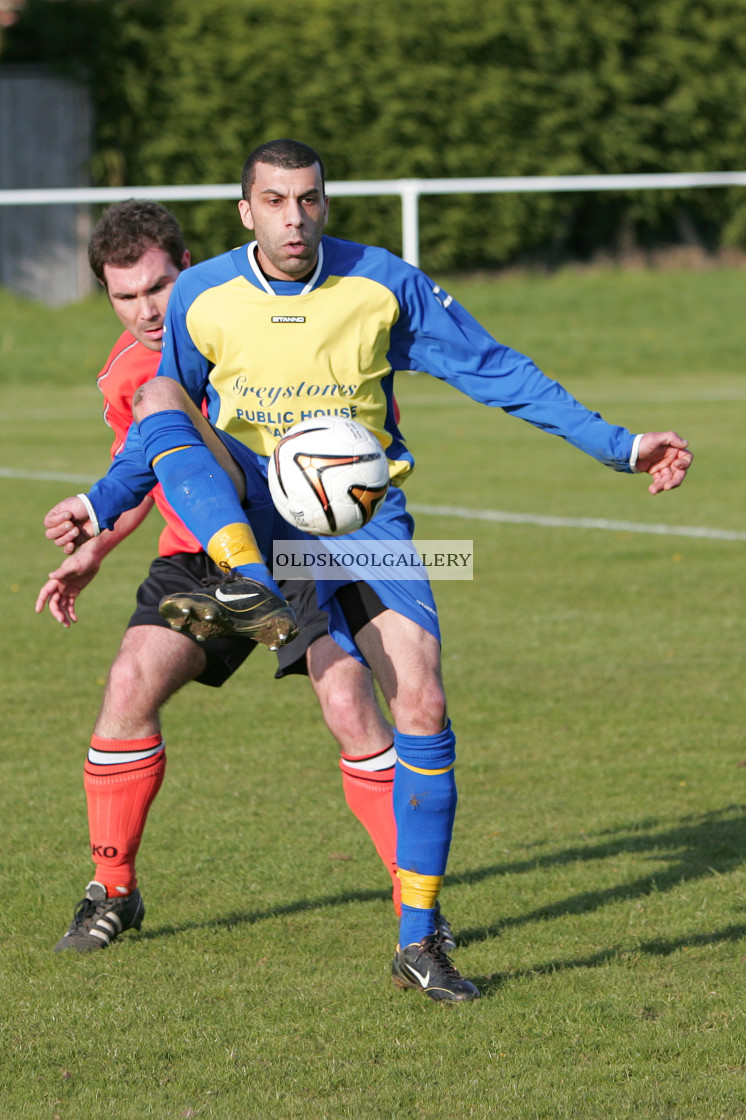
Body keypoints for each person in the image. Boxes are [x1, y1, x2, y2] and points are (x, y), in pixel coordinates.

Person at [45, 141, 693, 1002]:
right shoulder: (204, 298)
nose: (293, 217)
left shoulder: (382, 282)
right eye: (274, 201)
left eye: (307, 199)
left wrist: (620, 445)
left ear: (326, 202)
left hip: (359, 524)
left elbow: (496, 370)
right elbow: (162, 426)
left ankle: (419, 939)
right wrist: (97, 509)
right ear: (245, 212)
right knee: (159, 418)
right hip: (233, 530)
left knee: (414, 695)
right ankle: (114, 881)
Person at [37, 199, 449, 958]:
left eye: (157, 287)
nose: (146, 310)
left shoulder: (246, 323)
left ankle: (414, 899)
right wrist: (94, 548)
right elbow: (142, 472)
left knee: (349, 699)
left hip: (297, 546)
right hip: (198, 558)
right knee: (129, 684)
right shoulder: (125, 374)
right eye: (125, 296)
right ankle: (113, 891)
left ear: (186, 271)